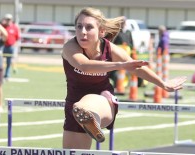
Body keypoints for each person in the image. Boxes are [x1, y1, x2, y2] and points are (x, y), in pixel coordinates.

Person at [61, 7, 187, 149]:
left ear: (101, 31)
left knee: (84, 106)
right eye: (79, 27)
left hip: (103, 101)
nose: (83, 32)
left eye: (89, 27)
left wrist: (163, 84)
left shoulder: (111, 49)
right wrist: (120, 65)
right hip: (73, 105)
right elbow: (84, 65)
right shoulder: (70, 47)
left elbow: (137, 68)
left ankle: (92, 118)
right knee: (71, 152)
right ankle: (87, 121)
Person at [1, 13, 20, 80]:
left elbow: (17, 38)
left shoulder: (15, 27)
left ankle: (7, 75)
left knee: (9, 62)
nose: (8, 21)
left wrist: (15, 46)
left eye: (9, 19)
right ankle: (1, 74)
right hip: (2, 46)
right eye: (7, 19)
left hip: (11, 47)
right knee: (1, 61)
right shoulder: (2, 26)